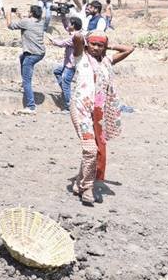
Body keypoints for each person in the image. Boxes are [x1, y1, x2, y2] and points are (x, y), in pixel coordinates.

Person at [69, 31, 135, 204]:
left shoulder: (107, 61)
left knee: (93, 149)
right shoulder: (80, 58)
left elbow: (130, 49)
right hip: (80, 109)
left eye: (100, 45)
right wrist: (81, 37)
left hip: (98, 113)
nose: (96, 48)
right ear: (87, 45)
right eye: (93, 44)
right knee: (91, 149)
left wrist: (108, 46)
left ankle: (79, 183)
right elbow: (76, 39)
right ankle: (87, 188)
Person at [6, 5, 46, 114]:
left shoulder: (26, 22)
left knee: (27, 81)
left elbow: (10, 25)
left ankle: (31, 106)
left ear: (32, 13)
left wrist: (8, 12)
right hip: (40, 53)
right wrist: (19, 14)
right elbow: (25, 22)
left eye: (29, 11)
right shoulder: (40, 22)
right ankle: (24, 86)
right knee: (21, 57)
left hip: (32, 54)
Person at [49, 15, 83, 113]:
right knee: (57, 72)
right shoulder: (75, 33)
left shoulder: (75, 37)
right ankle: (65, 92)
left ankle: (69, 106)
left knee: (66, 83)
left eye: (70, 23)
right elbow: (66, 28)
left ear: (74, 25)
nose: (68, 25)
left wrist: (52, 39)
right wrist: (63, 18)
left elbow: (61, 44)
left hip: (71, 64)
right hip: (68, 63)